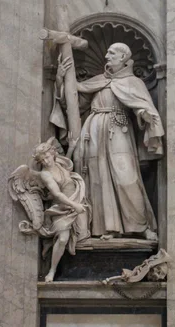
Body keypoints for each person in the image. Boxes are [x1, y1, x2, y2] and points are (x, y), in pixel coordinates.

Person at [55, 43, 164, 240]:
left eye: (112, 53)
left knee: (127, 177)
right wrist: (60, 79)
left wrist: (144, 114)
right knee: (97, 180)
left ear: (123, 57)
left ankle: (140, 226)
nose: (106, 55)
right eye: (107, 52)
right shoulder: (98, 81)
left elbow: (139, 105)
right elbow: (75, 105)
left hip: (119, 130)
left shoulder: (133, 83)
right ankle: (106, 229)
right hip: (93, 132)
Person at [9, 137, 91, 283]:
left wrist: (71, 147)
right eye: (42, 160)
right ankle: (52, 271)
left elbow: (68, 169)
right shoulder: (45, 175)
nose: (46, 161)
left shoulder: (60, 163)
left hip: (76, 198)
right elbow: (57, 195)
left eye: (47, 157)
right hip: (62, 208)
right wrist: (74, 206)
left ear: (53, 154)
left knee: (83, 236)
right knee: (63, 239)